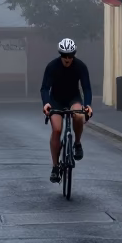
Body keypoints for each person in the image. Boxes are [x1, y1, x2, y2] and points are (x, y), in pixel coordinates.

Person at [41, 38, 93, 183]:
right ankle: (55, 166)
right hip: (56, 99)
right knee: (57, 130)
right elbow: (45, 88)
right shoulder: (52, 66)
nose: (67, 59)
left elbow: (87, 88)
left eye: (70, 55)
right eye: (64, 55)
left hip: (73, 98)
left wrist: (88, 105)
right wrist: (46, 104)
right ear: (60, 55)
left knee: (78, 115)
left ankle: (77, 143)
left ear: (74, 55)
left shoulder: (80, 66)